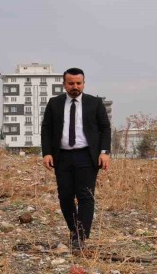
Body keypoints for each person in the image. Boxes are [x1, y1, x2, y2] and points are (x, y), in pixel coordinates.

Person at [41, 67, 111, 250]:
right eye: (71, 83)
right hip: (62, 156)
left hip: (87, 156)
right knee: (65, 196)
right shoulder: (54, 103)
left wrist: (104, 152)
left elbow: (105, 128)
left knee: (85, 196)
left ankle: (80, 237)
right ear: (64, 84)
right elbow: (46, 129)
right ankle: (74, 231)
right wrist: (46, 152)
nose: (75, 86)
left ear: (84, 83)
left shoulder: (94, 103)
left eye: (79, 83)